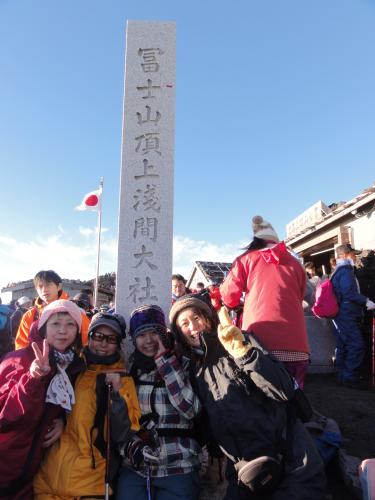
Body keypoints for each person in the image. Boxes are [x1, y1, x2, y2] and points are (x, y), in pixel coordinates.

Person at [169, 294, 326, 500]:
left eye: (197, 318)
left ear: (208, 318)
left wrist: (244, 354)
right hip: (245, 468)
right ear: (179, 333)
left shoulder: (239, 340)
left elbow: (282, 389)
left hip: (288, 453)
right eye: (185, 323)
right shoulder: (194, 368)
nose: (193, 326)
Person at [34, 312, 142, 499]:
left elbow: (122, 432)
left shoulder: (123, 379)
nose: (103, 343)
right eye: (98, 336)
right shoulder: (72, 366)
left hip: (90, 483)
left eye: (111, 339)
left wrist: (115, 395)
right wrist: (59, 418)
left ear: (118, 344)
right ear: (88, 336)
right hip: (48, 477)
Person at [0, 299, 85, 500]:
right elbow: (4, 415)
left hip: (30, 473)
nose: (63, 331)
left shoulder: (72, 367)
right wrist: (32, 378)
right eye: (56, 323)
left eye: (70, 324)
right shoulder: (19, 358)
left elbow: (61, 405)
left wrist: (63, 420)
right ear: (43, 328)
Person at [116, 304, 201, 500]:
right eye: (141, 335)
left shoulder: (185, 365)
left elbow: (190, 410)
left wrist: (165, 361)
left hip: (179, 465)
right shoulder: (130, 371)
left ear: (164, 334)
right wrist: (128, 448)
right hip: (136, 468)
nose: (148, 341)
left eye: (154, 333)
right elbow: (120, 419)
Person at [220, 216, 310, 388]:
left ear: (256, 240)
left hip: (260, 343)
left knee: (264, 400)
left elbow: (228, 296)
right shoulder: (296, 264)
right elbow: (299, 296)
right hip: (297, 344)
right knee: (294, 398)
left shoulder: (245, 260)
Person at [331, 244, 375, 387]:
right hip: (347, 313)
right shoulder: (345, 270)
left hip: (340, 313)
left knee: (343, 345)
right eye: (353, 254)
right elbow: (348, 293)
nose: (355, 257)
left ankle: (343, 376)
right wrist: (366, 301)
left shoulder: (337, 271)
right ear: (345, 255)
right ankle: (350, 377)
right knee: (357, 345)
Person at [15, 271, 89, 350]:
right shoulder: (30, 315)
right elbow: (22, 345)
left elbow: (86, 342)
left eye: (48, 285)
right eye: (40, 286)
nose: (44, 290)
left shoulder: (74, 311)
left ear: (59, 286)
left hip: (71, 360)